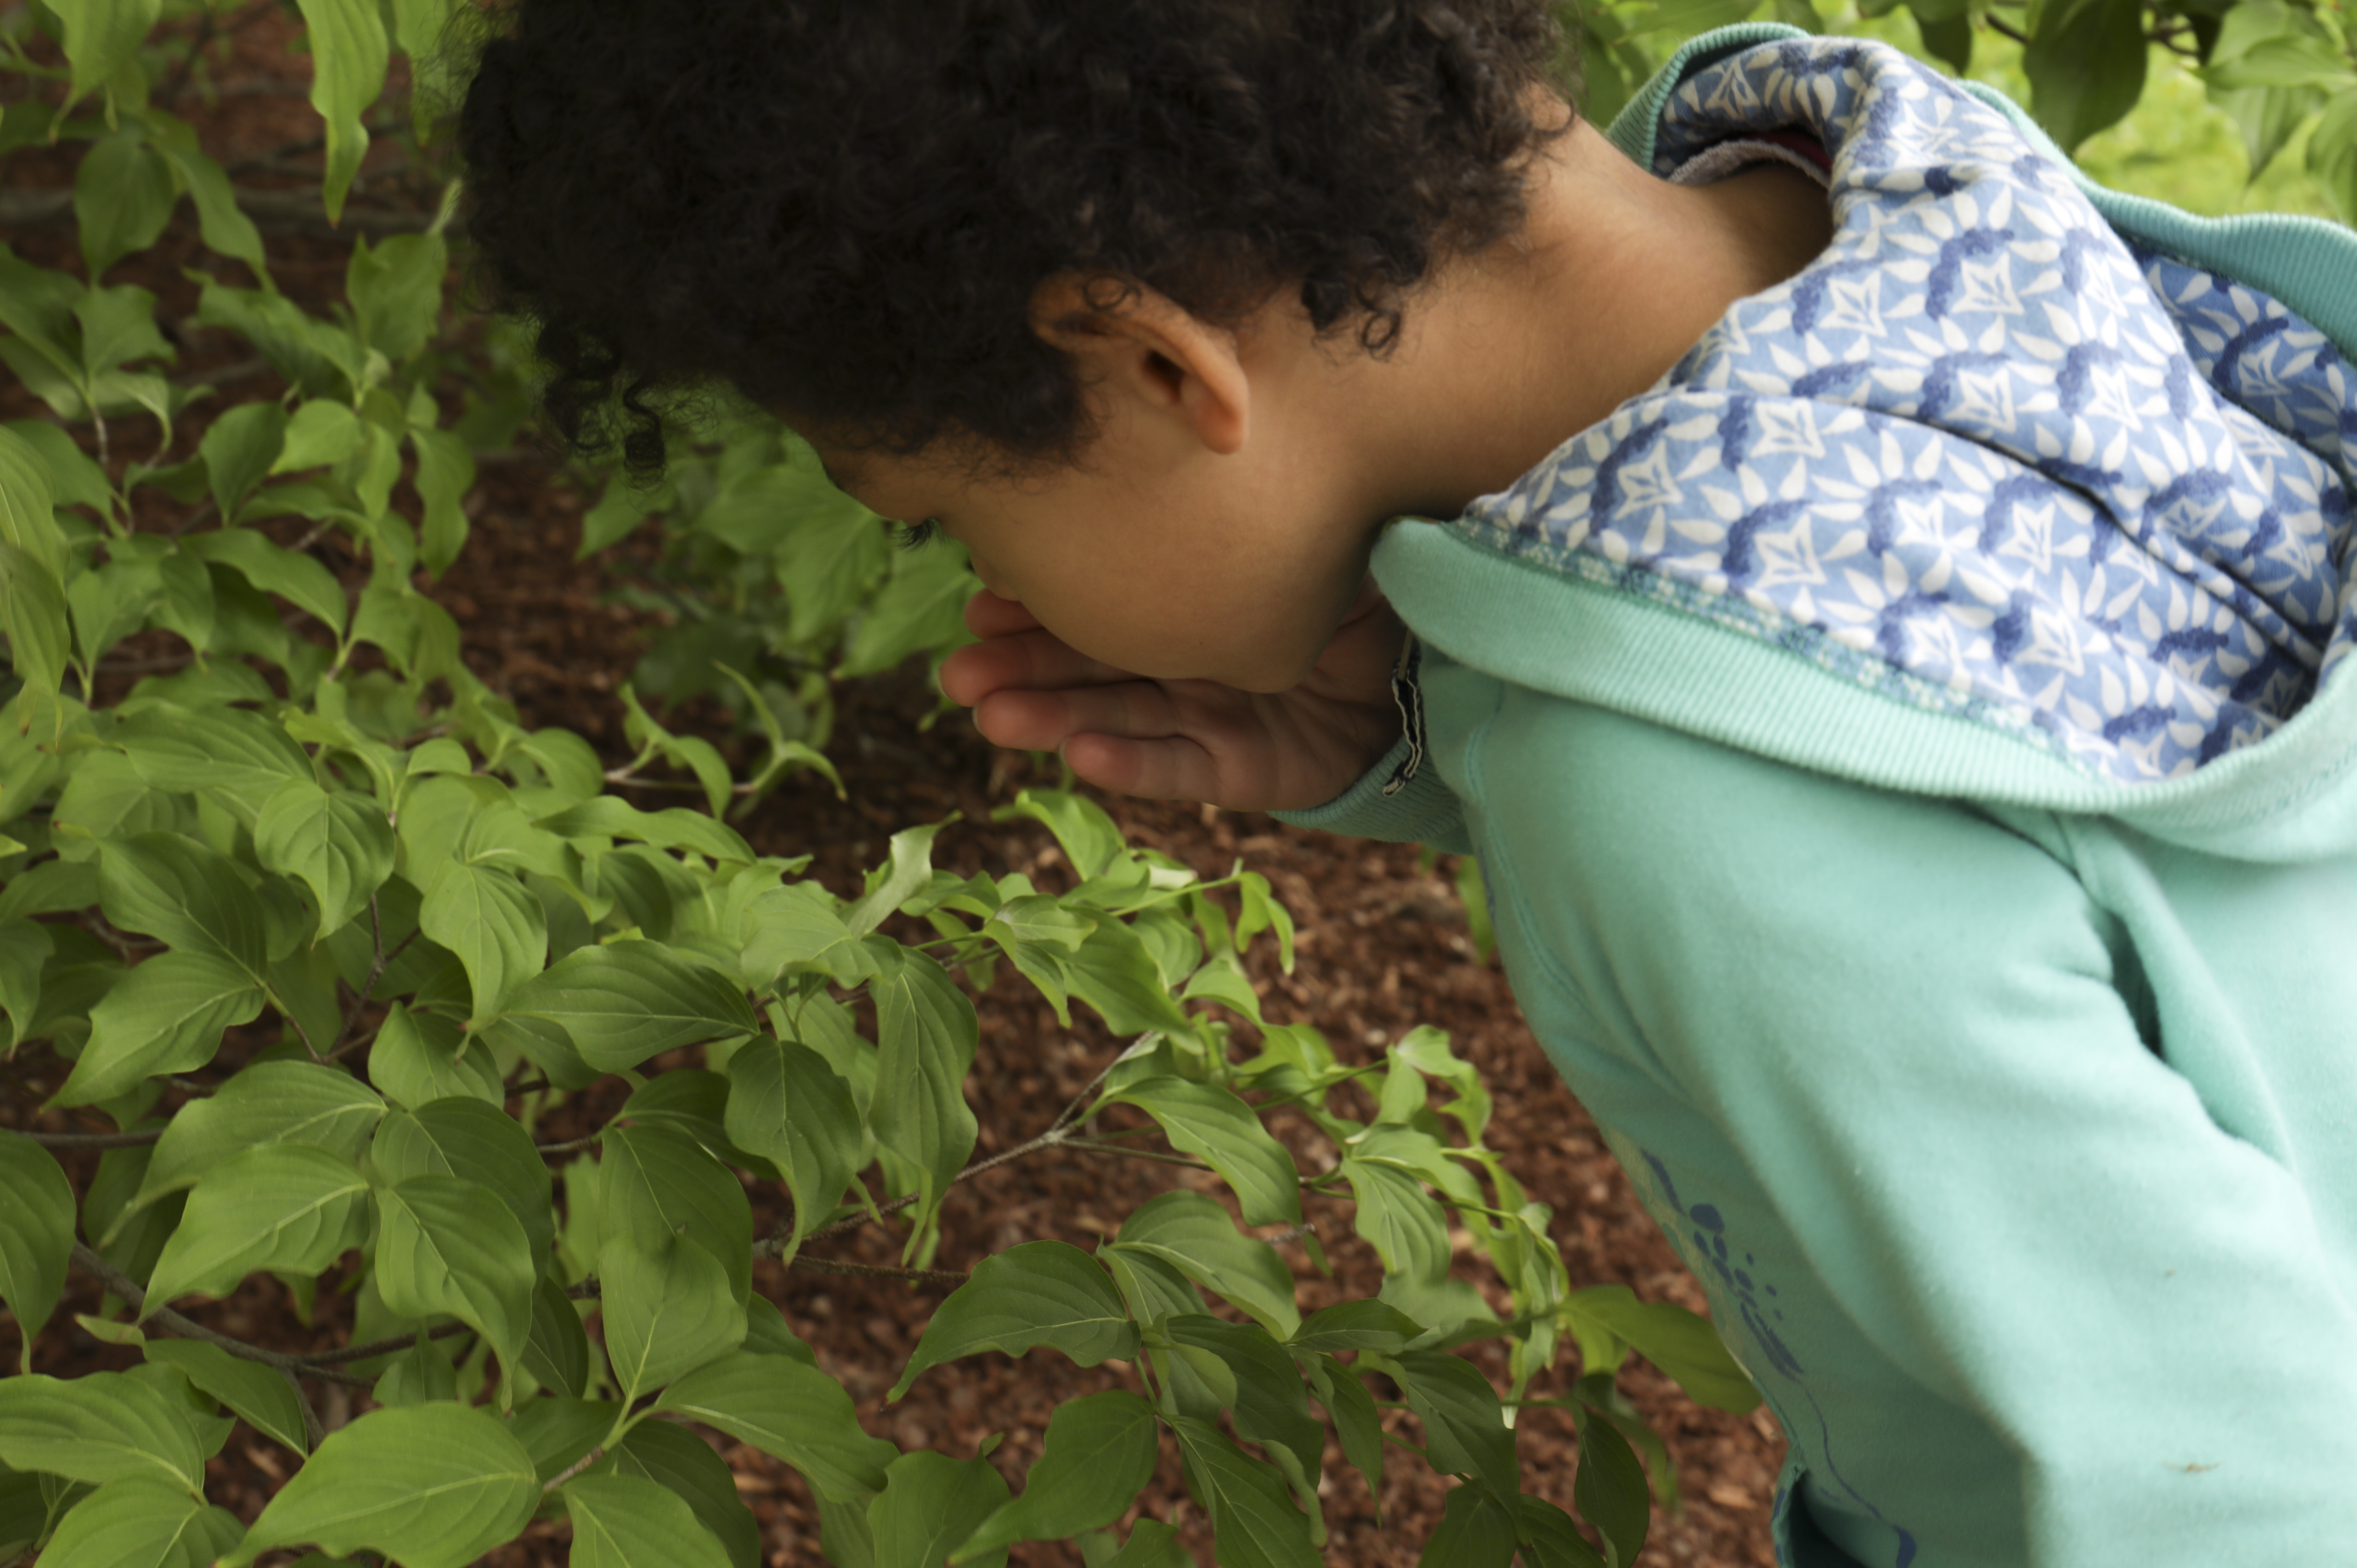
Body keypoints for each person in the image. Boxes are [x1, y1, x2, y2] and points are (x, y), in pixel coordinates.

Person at [454, 4, 2357, 1563]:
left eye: (939, 512)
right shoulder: (1902, 211)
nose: (974, 584)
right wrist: (1436, 730)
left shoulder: (1675, 807)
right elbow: (2020, 787)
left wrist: (1585, 756)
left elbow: (2234, 1491)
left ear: (1142, 360)